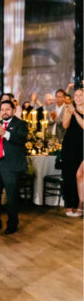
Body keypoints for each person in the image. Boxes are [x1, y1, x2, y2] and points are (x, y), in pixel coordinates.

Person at [0, 99, 28, 234]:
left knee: (11, 197)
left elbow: (21, 139)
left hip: (11, 166)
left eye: (7, 109)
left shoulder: (21, 124)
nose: (4, 112)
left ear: (13, 110)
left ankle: (12, 225)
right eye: (2, 110)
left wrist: (5, 133)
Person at [60, 88, 84, 217]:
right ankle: (69, 204)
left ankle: (80, 204)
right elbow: (65, 126)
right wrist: (69, 113)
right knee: (69, 174)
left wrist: (75, 113)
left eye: (81, 95)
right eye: (76, 95)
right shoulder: (69, 109)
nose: (78, 97)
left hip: (82, 146)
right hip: (70, 145)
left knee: (79, 175)